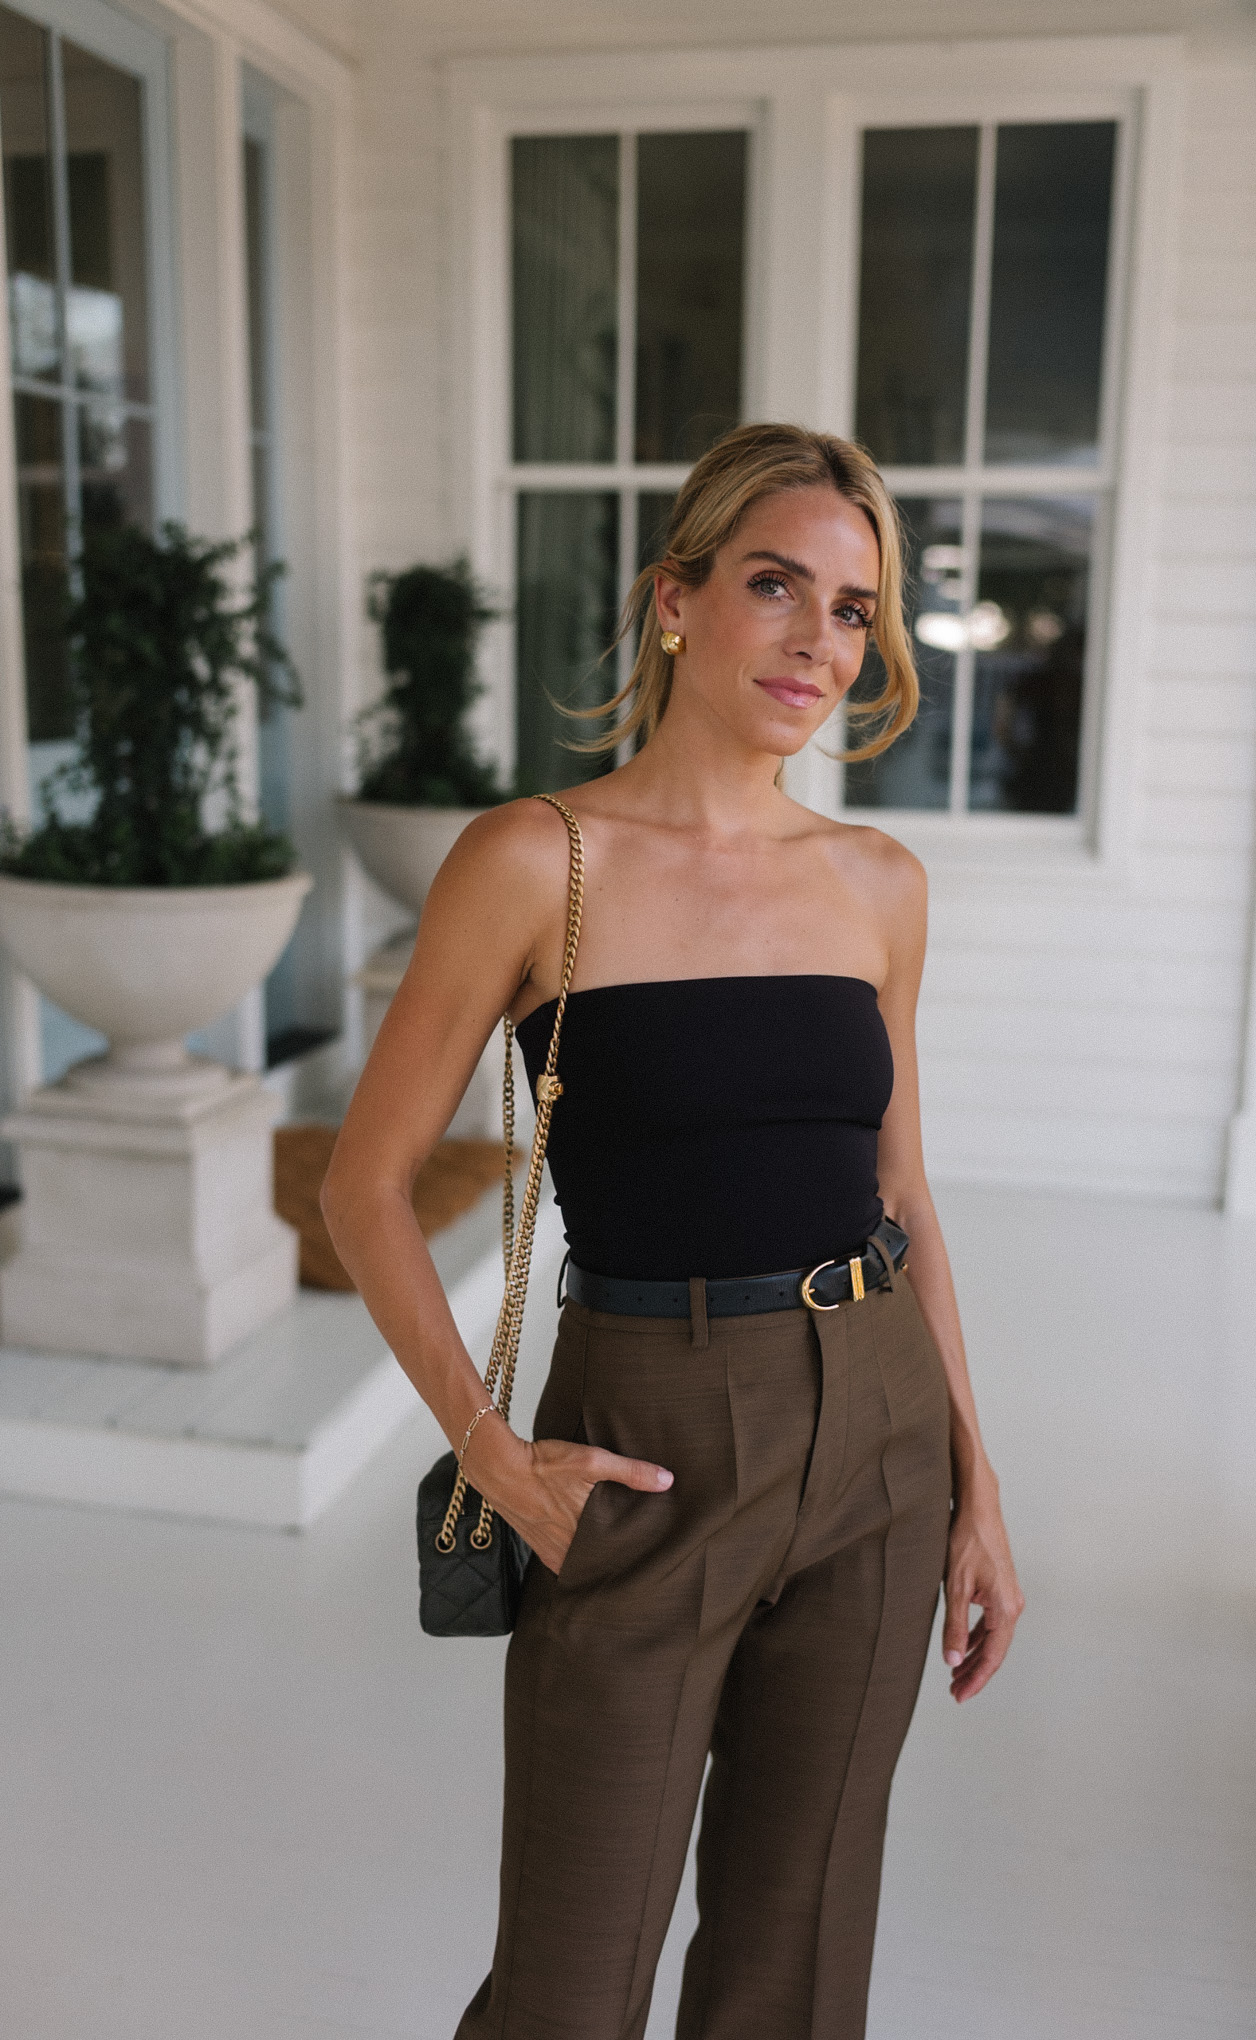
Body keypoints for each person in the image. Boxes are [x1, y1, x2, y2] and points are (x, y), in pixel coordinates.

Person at [322, 422, 1024, 2040]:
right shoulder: (535, 858)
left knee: (795, 1959)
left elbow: (902, 1196)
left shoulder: (879, 883)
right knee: (573, 1978)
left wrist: (976, 1485)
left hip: (881, 1436)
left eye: (853, 609)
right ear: (675, 601)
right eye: (776, 586)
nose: (815, 642)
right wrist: (490, 1448)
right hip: (645, 1427)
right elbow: (363, 1185)